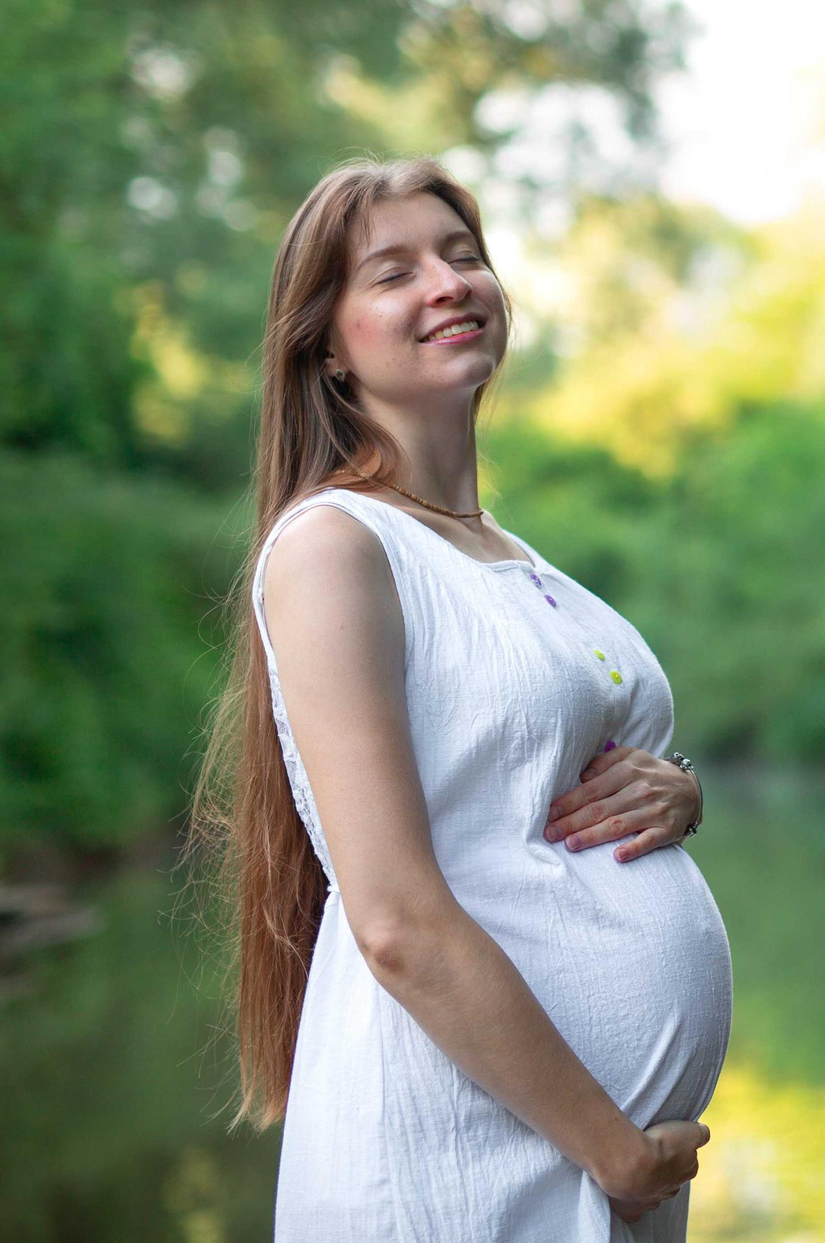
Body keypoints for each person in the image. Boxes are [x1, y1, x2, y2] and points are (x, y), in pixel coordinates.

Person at [199, 156, 731, 1240]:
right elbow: (394, 918)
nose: (449, 283)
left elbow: (527, 778)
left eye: (463, 255)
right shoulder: (336, 546)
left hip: (584, 1166)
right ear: (327, 345)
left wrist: (676, 790)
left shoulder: (506, 554)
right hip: (465, 1161)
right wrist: (612, 1147)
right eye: (394, 272)